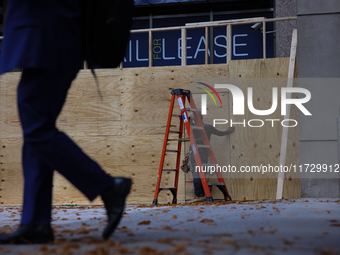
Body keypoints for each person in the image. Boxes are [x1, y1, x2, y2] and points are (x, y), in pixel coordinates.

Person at [0, 0, 131, 244]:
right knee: (36, 134)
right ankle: (35, 223)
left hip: (46, 39)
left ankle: (108, 186)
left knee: (37, 129)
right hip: (53, 38)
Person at [186, 112, 235, 203]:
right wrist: (228, 131)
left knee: (196, 174)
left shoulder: (192, 127)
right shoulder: (208, 127)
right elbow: (220, 133)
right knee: (201, 173)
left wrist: (192, 116)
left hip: (196, 153)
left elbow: (186, 119)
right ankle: (201, 194)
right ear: (202, 118)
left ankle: (198, 195)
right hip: (204, 154)